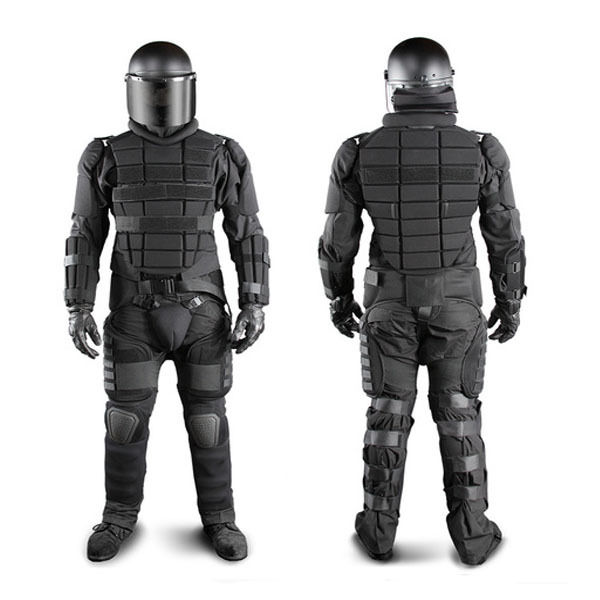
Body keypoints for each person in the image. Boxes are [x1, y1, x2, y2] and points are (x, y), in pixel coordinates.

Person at [318, 37, 525, 565]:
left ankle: (377, 533)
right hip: (457, 307)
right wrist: (510, 302)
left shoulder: (357, 150)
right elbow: (505, 236)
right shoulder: (482, 149)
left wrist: (338, 298)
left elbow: (337, 240)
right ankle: (473, 536)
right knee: (459, 414)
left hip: (388, 306)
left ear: (393, 87)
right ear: (448, 83)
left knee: (387, 413)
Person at [65, 41, 269, 562]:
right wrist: (77, 304)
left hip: (203, 314)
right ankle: (118, 517)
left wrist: (255, 302)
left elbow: (247, 230)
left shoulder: (221, 152)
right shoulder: (105, 155)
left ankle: (220, 518)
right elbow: (85, 233)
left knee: (208, 420)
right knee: (124, 421)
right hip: (133, 312)